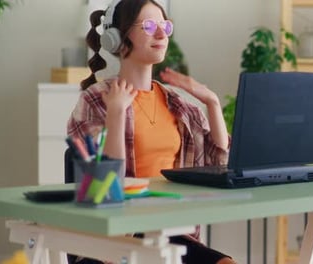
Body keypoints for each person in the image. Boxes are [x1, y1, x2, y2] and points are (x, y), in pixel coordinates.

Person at [67, 0, 234, 263]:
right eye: (149, 26)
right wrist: (117, 113)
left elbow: (221, 164)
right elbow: (105, 188)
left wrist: (212, 102)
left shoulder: (179, 105)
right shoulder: (96, 100)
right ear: (117, 37)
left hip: (170, 233)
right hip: (116, 237)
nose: (161, 34)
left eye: (165, 26)